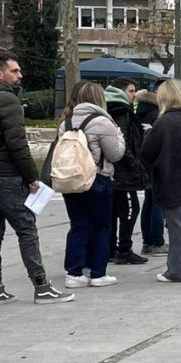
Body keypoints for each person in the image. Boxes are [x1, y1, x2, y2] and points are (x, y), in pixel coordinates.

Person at [0, 53, 73, 304]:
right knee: (27, 229)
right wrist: (31, 177)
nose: (20, 75)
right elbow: (18, 144)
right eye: (15, 71)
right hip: (6, 176)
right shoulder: (7, 100)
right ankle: (42, 286)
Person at [57, 82, 125, 289]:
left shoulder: (65, 122)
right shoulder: (103, 122)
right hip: (97, 177)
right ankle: (98, 273)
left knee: (78, 226)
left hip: (71, 179)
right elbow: (115, 154)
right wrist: (120, 137)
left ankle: (74, 273)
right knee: (101, 226)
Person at [140, 80, 181, 282]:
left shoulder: (164, 122)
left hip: (170, 178)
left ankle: (179, 270)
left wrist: (148, 133)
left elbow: (147, 154)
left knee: (177, 226)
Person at [104, 79, 148, 265]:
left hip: (114, 171)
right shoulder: (122, 112)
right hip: (123, 172)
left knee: (115, 210)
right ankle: (124, 248)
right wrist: (134, 165)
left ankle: (112, 248)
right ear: (121, 92)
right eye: (131, 91)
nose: (134, 95)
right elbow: (123, 142)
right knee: (130, 209)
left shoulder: (108, 109)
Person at [134, 89, 165, 254]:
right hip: (155, 164)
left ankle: (147, 241)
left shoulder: (137, 114)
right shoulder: (157, 115)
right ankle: (158, 241)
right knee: (157, 203)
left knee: (148, 203)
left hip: (142, 163)